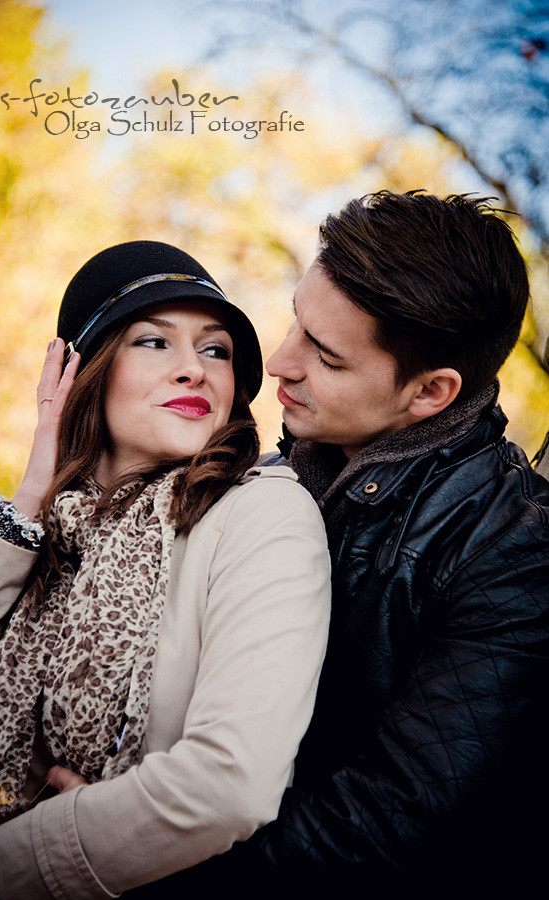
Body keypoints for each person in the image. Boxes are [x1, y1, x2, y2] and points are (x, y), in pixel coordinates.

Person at [165, 190, 549, 896]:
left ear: (429, 392)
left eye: (327, 357)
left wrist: (142, 862)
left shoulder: (514, 551)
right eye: (295, 325)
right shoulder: (263, 477)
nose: (278, 364)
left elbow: (385, 822)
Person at [0, 241, 331, 899]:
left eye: (215, 350)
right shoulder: (48, 536)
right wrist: (28, 500)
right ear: (87, 375)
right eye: (154, 343)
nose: (194, 370)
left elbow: (229, 783)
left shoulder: (260, 513)